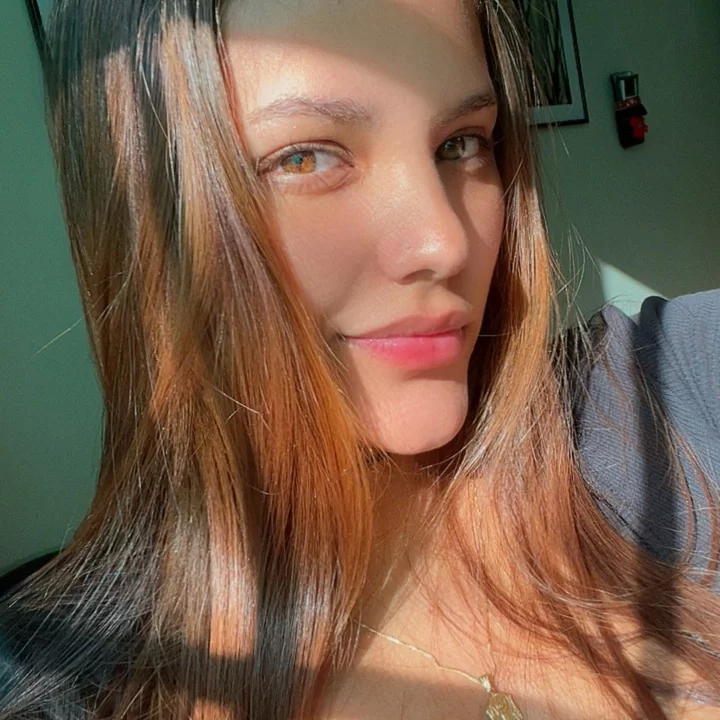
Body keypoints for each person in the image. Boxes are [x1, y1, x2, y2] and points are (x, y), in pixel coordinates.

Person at [1, 0, 719, 717]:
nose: (446, 242)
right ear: (146, 220)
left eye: (462, 143)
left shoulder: (657, 400)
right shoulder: (62, 685)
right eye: (305, 157)